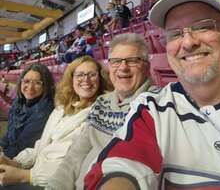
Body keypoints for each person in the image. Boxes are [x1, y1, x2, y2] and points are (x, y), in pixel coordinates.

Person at [84, 0, 220, 190]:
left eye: (202, 26)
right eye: (175, 34)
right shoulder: (152, 108)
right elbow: (122, 165)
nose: (188, 42)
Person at [45, 33, 156, 190]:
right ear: (109, 67)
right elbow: (74, 155)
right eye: (116, 61)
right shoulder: (101, 103)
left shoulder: (156, 105)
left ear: (147, 67)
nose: (123, 67)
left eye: (132, 61)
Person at [0, 56, 110, 189]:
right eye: (80, 75)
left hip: (52, 181)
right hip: (35, 171)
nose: (85, 79)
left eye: (92, 75)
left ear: (100, 79)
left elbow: (72, 162)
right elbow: (41, 147)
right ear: (71, 79)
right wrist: (14, 162)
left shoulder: (100, 114)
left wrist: (26, 174)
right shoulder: (62, 108)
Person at [0, 64, 55, 159]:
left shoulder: (42, 112)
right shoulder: (19, 100)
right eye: (26, 81)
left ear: (45, 86)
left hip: (18, 160)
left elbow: (21, 148)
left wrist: (2, 155)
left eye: (38, 83)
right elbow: (9, 133)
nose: (30, 87)